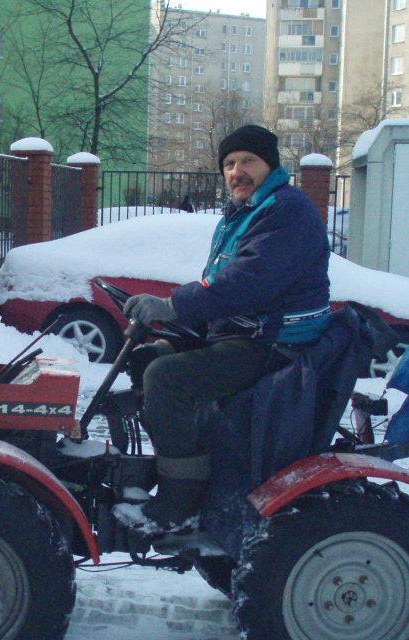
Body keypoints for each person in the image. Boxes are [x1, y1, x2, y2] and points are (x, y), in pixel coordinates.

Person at [122, 124, 330, 535]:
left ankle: (182, 503)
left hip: (274, 342)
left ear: (270, 165)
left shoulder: (285, 209)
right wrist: (179, 323)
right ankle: (187, 461)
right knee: (151, 357)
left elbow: (249, 282)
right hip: (245, 331)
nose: (237, 171)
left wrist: (173, 305)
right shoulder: (245, 212)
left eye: (248, 161)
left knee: (167, 378)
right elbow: (220, 282)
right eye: (230, 164)